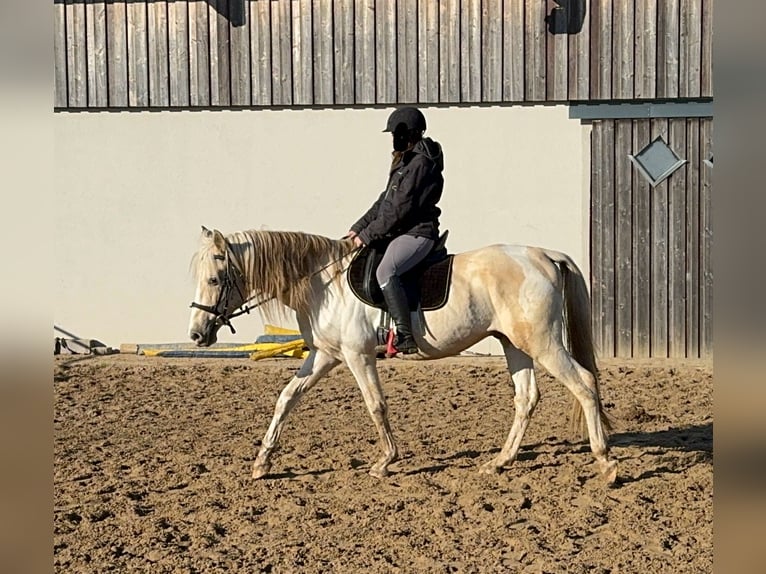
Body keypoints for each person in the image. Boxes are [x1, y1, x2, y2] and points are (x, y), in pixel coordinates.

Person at [345, 107, 444, 354]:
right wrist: (358, 228)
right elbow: (384, 201)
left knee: (386, 271)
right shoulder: (405, 161)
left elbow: (400, 208)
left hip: (418, 232)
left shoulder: (420, 163)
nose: (392, 139)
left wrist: (368, 236)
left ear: (408, 134)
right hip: (402, 230)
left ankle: (404, 335)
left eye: (395, 134)